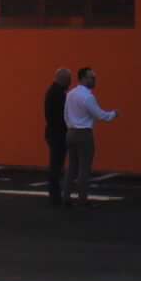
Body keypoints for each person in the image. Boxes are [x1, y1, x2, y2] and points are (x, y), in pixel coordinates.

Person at [61, 67, 115, 206]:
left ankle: (66, 197)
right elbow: (100, 115)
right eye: (92, 77)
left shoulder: (70, 94)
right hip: (84, 134)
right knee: (84, 168)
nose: (94, 80)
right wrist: (114, 114)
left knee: (71, 167)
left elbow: (65, 114)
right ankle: (82, 199)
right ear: (83, 78)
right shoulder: (88, 97)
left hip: (71, 132)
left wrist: (70, 126)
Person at [42, 66, 75, 207]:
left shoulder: (53, 92)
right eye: (69, 80)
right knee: (56, 166)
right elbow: (62, 116)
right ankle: (55, 197)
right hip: (58, 134)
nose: (70, 83)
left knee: (56, 165)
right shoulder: (58, 94)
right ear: (64, 79)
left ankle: (55, 196)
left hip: (53, 133)